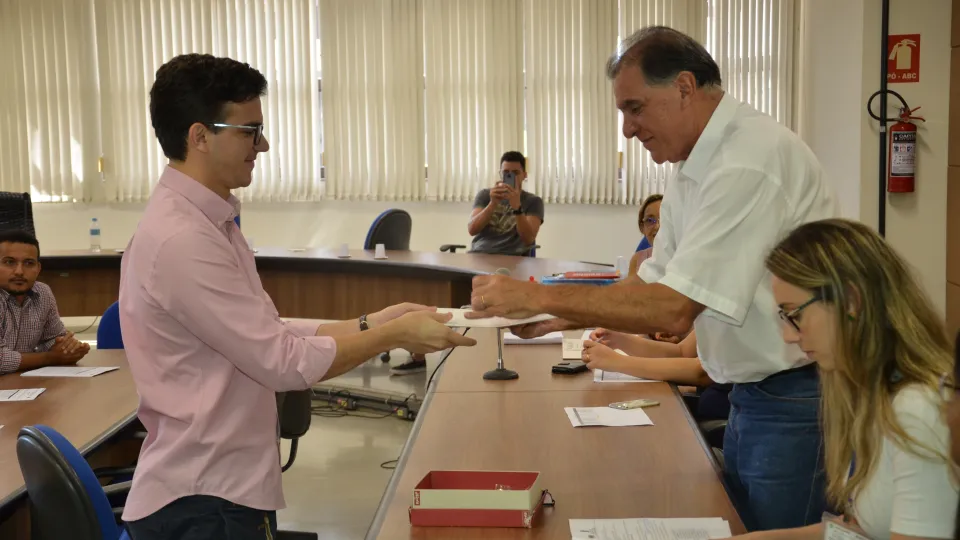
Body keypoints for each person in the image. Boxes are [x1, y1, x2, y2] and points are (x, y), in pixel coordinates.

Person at [467, 26, 838, 530]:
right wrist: (553, 316)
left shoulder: (747, 161)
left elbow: (674, 307)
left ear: (684, 87)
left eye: (635, 108)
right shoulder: (694, 167)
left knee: (773, 533)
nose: (626, 129)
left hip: (790, 396)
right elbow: (650, 282)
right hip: (753, 393)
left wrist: (541, 298)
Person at [120, 53, 476, 540]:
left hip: (218, 487)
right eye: (250, 131)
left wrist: (372, 322)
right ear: (200, 136)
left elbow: (268, 331)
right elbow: (281, 362)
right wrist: (392, 335)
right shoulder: (183, 239)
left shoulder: (208, 221)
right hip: (206, 498)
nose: (262, 145)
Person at [739, 218, 958, 540]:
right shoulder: (866, 391)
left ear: (852, 302)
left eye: (795, 315)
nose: (788, 336)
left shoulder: (917, 410)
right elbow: (861, 528)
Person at [583, 330, 730, 421]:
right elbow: (682, 352)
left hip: (719, 412)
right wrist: (620, 340)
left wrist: (617, 362)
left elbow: (702, 372)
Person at [0, 229, 88, 375]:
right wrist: (50, 358)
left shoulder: (43, 293)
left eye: (29, 263)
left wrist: (69, 348)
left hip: (19, 382)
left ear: (38, 268)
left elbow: (53, 338)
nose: (19, 271)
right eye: (10, 262)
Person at [467, 151, 544, 256]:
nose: (510, 176)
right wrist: (492, 204)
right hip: (479, 254)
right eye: (506, 172)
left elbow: (528, 239)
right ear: (500, 174)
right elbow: (472, 230)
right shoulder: (485, 195)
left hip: (511, 257)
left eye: (515, 173)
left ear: (524, 175)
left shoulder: (533, 201)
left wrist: (517, 207)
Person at [628, 193, 662, 276]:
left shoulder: (682, 257)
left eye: (663, 218)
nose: (657, 226)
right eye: (649, 220)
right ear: (642, 227)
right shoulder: (637, 260)